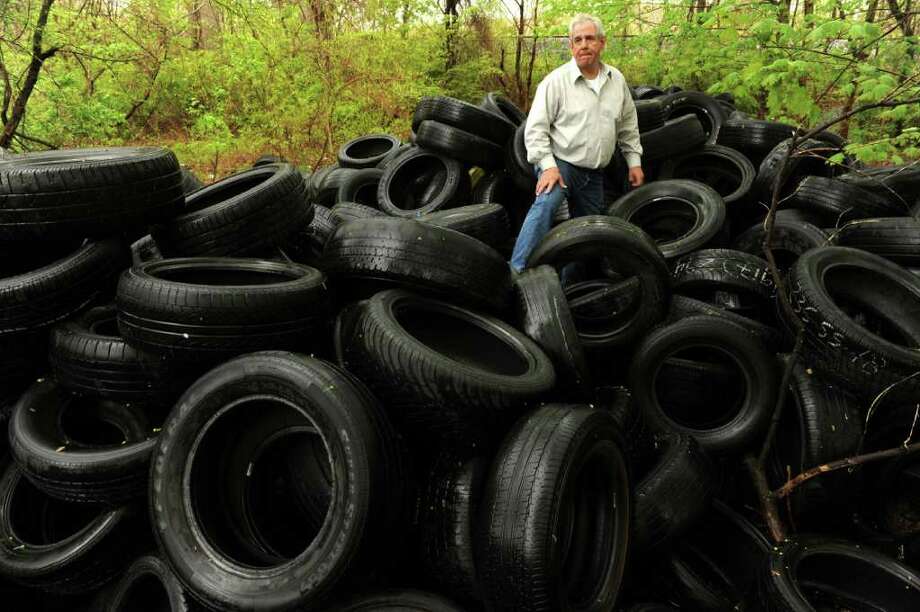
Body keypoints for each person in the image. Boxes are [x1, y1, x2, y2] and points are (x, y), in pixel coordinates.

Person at [509, 13, 644, 273]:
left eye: (590, 39)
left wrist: (634, 162)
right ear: (571, 46)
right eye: (578, 40)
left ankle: (566, 286)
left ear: (602, 43)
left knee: (587, 234)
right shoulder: (555, 82)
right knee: (547, 203)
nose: (584, 45)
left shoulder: (616, 80)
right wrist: (548, 167)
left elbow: (628, 125)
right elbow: (535, 130)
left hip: (593, 173)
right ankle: (516, 270)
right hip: (561, 163)